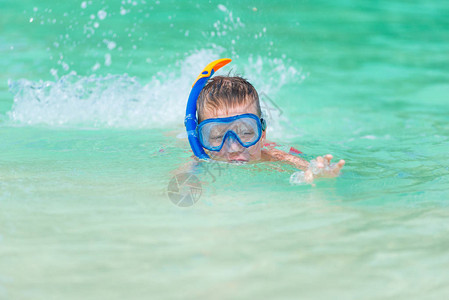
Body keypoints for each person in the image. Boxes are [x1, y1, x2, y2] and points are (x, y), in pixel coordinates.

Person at [185, 58, 344, 183]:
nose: (233, 147)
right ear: (200, 141)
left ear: (262, 134)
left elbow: (310, 169)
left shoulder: (274, 157)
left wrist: (321, 172)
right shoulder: (198, 161)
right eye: (218, 137)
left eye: (246, 132)